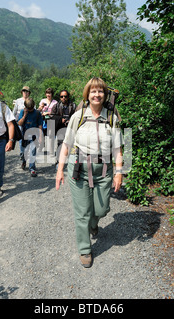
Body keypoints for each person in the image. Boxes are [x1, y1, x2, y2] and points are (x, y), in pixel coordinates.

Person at [55, 77, 124, 268]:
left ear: (105, 94)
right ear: (87, 94)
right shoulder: (78, 116)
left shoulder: (112, 117)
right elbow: (66, 145)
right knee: (82, 212)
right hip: (79, 169)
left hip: (104, 170)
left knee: (102, 209)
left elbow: (118, 148)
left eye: (100, 91)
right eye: (93, 91)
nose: (97, 94)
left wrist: (119, 172)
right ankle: (85, 249)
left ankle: (94, 225)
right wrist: (60, 170)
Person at [18, 97, 43, 177]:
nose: (30, 110)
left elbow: (40, 125)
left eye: (32, 108)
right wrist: (25, 115)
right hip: (24, 135)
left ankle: (32, 168)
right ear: (26, 107)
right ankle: (23, 161)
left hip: (34, 135)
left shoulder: (37, 113)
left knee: (32, 151)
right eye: (29, 108)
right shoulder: (23, 111)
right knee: (22, 152)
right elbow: (19, 123)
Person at [38, 88, 58, 157]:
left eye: (50, 93)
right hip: (43, 120)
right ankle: (40, 149)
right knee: (41, 135)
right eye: (47, 93)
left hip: (51, 119)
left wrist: (49, 112)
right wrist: (41, 107)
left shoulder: (55, 102)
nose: (48, 94)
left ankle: (51, 152)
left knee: (51, 136)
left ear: (52, 94)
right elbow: (39, 110)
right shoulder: (43, 101)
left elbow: (56, 112)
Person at [13, 86, 31, 160]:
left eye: (26, 91)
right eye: (24, 91)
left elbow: (34, 110)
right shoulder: (18, 101)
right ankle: (22, 153)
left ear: (29, 93)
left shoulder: (30, 100)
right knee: (21, 138)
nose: (25, 93)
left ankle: (26, 152)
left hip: (28, 122)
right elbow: (14, 112)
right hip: (20, 121)